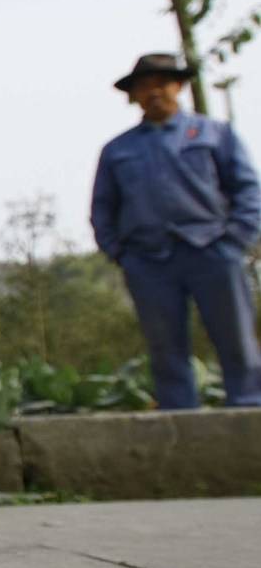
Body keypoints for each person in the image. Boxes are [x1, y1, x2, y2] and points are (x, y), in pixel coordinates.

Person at [90, 52, 261, 409]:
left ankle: (248, 408)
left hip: (214, 251)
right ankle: (179, 416)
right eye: (144, 87)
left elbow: (247, 189)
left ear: (179, 86)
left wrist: (236, 239)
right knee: (165, 346)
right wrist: (120, 253)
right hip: (149, 261)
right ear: (133, 96)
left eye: (161, 84)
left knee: (236, 338)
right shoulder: (118, 150)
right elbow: (103, 208)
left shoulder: (215, 135)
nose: (154, 93)